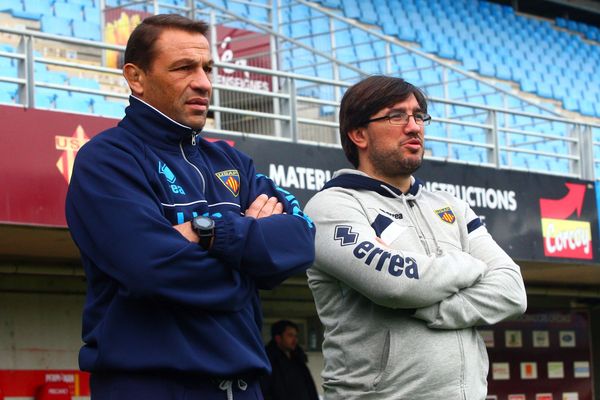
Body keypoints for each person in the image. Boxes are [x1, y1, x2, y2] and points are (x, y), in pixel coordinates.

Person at [65, 14, 315, 400]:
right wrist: (249, 268)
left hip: (246, 389)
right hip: (151, 387)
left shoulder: (232, 162)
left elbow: (301, 242)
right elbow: (154, 271)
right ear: (136, 77)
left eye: (207, 68)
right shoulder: (107, 160)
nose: (203, 82)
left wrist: (213, 233)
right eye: (184, 68)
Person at [304, 75, 527, 400]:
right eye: (397, 116)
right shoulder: (331, 207)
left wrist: (437, 310)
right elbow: (397, 286)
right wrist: (470, 267)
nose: (414, 127)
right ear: (358, 134)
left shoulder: (452, 206)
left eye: (418, 115)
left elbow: (512, 292)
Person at [260, 320, 319, 400]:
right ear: (278, 338)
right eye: (290, 335)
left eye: (296, 336)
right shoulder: (269, 360)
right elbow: (265, 390)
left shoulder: (298, 359)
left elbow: (310, 387)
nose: (295, 340)